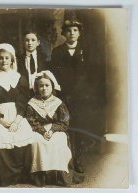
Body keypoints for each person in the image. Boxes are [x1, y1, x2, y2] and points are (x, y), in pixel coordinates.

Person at [0, 43, 34, 186]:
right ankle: (6, 177)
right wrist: (0, 121)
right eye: (0, 58)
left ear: (12, 60)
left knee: (25, 133)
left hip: (18, 115)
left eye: (7, 58)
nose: (4, 61)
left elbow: (23, 102)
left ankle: (22, 176)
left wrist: (17, 121)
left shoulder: (19, 78)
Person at [50, 18, 87, 173]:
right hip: (64, 94)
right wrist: (61, 92)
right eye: (69, 30)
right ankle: (65, 158)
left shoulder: (86, 50)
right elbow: (55, 74)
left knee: (79, 126)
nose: (72, 33)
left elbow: (90, 75)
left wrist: (82, 93)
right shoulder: (57, 51)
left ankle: (78, 158)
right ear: (64, 33)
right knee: (64, 125)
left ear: (79, 33)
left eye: (75, 30)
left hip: (82, 96)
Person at [26, 70, 72, 187]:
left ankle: (58, 175)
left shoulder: (58, 102)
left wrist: (52, 130)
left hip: (56, 129)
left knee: (59, 140)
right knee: (37, 141)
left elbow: (64, 121)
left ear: (52, 87)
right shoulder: (32, 103)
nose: (44, 88)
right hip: (38, 129)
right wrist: (42, 132)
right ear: (36, 88)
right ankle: (41, 176)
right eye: (41, 86)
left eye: (47, 85)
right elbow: (31, 121)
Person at [17, 30, 47, 101]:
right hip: (24, 94)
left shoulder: (44, 58)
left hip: (41, 93)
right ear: (23, 43)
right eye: (27, 40)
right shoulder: (19, 59)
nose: (30, 43)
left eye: (33, 40)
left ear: (38, 43)